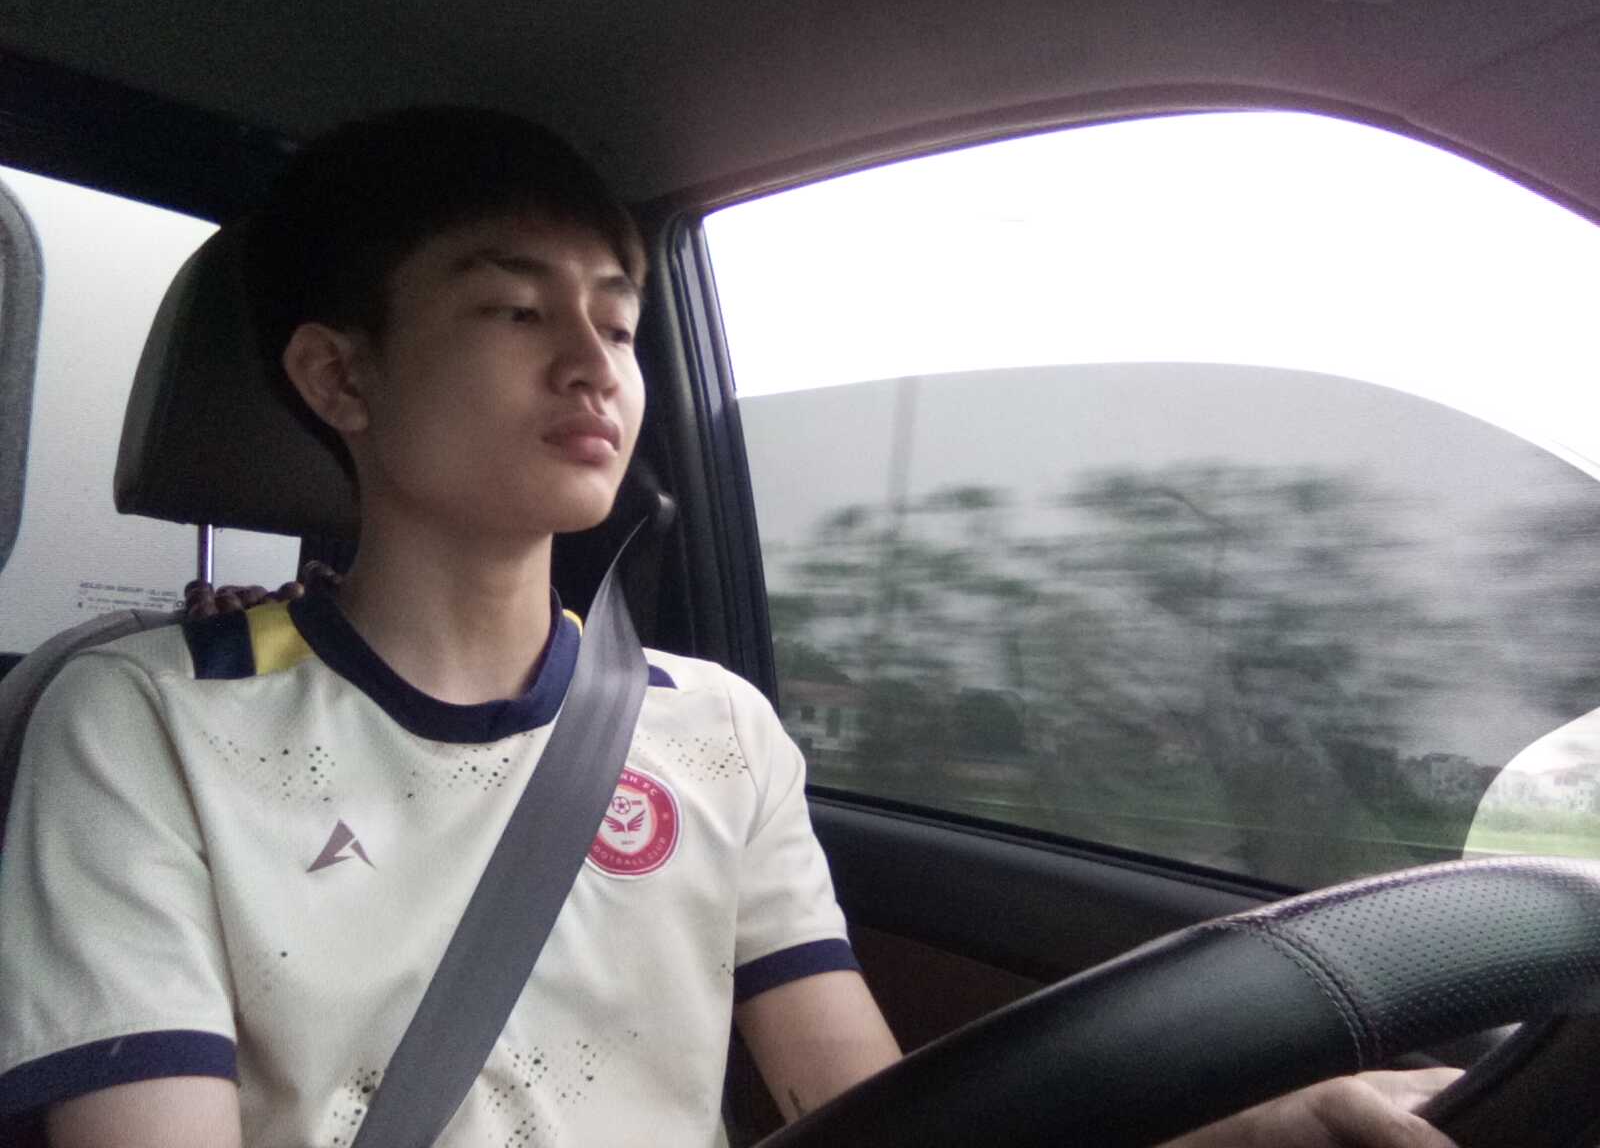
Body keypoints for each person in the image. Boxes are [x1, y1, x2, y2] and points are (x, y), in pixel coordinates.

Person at [0, 107, 1459, 1147]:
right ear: (341, 378)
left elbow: (860, 1109)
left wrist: (1237, 1128)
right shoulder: (144, 723)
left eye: (619, 321)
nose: (594, 364)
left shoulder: (713, 730)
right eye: (516, 312)